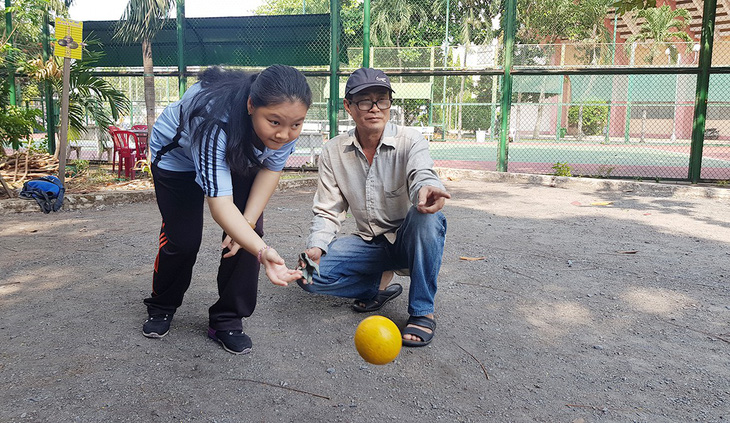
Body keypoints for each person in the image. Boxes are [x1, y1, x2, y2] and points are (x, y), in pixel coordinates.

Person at [142, 65, 310, 355]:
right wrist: (263, 251)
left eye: (296, 124)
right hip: (176, 159)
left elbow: (270, 170)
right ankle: (162, 305)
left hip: (236, 154)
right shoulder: (212, 119)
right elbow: (220, 206)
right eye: (275, 122)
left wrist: (247, 225)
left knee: (248, 231)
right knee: (183, 240)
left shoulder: (283, 128)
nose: (284, 134)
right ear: (250, 106)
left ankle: (227, 318)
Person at [297, 67, 450, 347]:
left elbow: (422, 174)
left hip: (409, 240)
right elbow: (328, 210)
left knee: (428, 217)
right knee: (306, 276)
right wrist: (316, 247)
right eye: (365, 101)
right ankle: (378, 286)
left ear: (390, 103)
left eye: (382, 99)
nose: (375, 108)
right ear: (349, 107)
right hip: (370, 244)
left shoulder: (410, 140)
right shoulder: (333, 151)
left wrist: (427, 188)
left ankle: (422, 311)